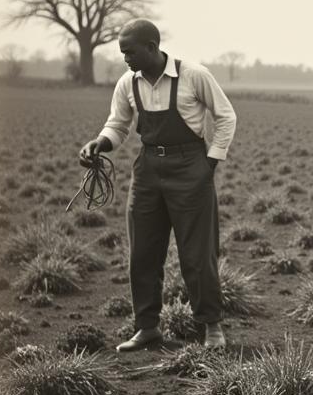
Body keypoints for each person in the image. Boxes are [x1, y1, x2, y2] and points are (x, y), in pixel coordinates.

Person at [78, 19, 237, 352]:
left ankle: (212, 326)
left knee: (197, 254)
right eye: (122, 53)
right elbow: (118, 125)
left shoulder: (194, 75)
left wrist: (210, 163)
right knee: (143, 254)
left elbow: (226, 116)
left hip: (191, 167)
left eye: (129, 52)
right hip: (148, 169)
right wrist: (99, 143)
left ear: (151, 47)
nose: (125, 59)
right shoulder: (128, 83)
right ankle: (147, 327)